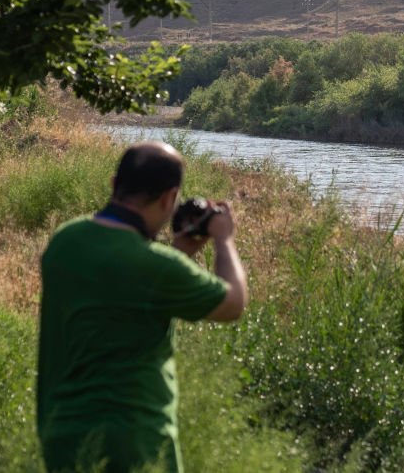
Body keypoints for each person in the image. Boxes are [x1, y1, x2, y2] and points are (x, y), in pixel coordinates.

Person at [37, 141, 247, 473]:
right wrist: (224, 238)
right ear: (169, 198)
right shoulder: (158, 268)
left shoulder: (65, 240)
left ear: (114, 184)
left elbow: (123, 288)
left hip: (62, 436)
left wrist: (179, 252)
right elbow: (232, 304)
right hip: (135, 443)